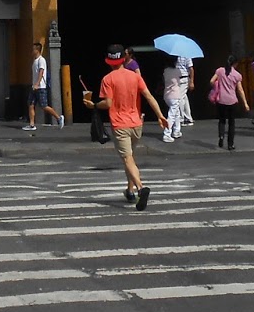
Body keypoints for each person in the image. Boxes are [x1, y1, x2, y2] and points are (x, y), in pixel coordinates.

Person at [83, 43, 167, 210]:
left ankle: (141, 188)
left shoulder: (107, 79)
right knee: (131, 158)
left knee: (127, 159)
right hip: (136, 123)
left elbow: (107, 103)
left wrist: (92, 105)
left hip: (120, 124)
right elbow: (149, 96)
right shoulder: (135, 77)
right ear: (124, 59)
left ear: (109, 61)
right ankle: (129, 191)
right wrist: (160, 115)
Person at [209, 55, 247, 150]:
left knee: (222, 120)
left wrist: (217, 86)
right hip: (232, 101)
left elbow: (211, 81)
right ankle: (230, 144)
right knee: (231, 123)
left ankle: (221, 136)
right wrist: (245, 103)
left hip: (221, 100)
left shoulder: (220, 71)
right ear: (236, 63)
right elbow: (240, 90)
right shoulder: (237, 75)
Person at [25, 41, 63, 131]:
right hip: (34, 87)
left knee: (44, 106)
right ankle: (32, 124)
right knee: (30, 104)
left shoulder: (41, 60)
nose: (32, 51)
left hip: (40, 87)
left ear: (37, 50)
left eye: (33, 49)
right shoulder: (35, 60)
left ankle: (58, 118)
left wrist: (37, 84)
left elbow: (41, 72)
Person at [161, 58, 186, 142]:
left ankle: (177, 131)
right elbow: (182, 75)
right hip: (175, 95)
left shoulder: (165, 71)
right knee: (171, 115)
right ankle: (167, 134)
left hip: (167, 95)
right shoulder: (177, 71)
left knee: (176, 113)